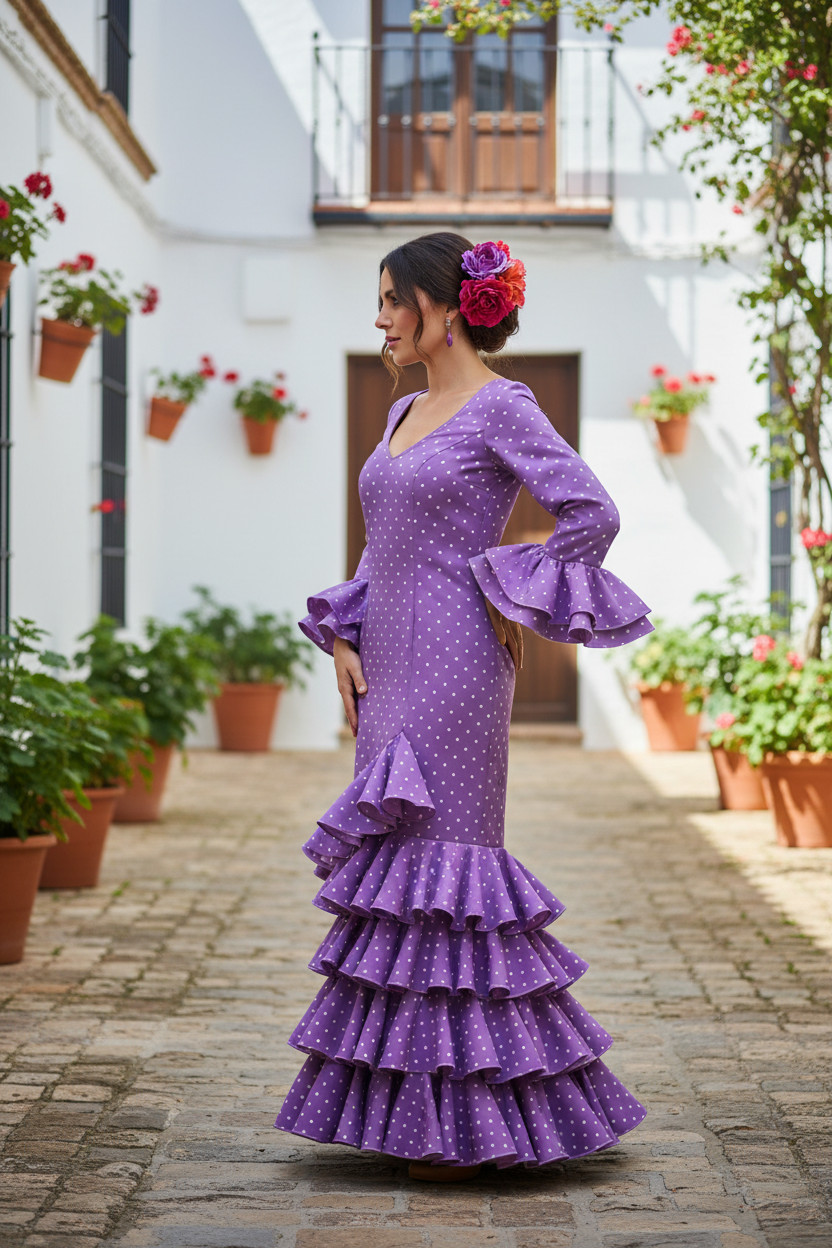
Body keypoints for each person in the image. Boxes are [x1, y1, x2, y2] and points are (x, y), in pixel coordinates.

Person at [274, 231, 653, 1181]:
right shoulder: (403, 409)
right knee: (395, 865)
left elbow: (592, 511)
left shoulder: (503, 406)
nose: (380, 318)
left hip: (458, 666)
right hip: (385, 662)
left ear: (445, 308)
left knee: (447, 875)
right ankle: (408, 1111)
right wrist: (345, 634)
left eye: (392, 299)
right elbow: (383, 541)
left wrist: (513, 588)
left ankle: (461, 1119)